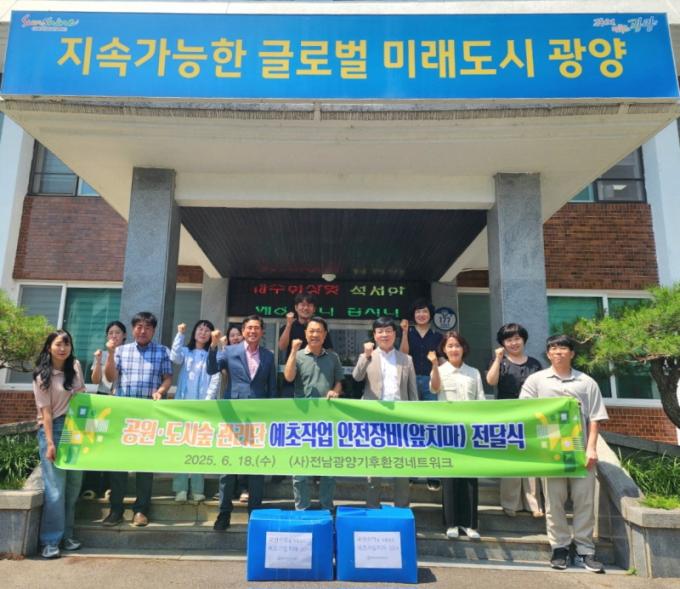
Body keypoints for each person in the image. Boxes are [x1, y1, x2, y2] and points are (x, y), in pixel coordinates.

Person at [520, 335, 609, 573]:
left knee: (584, 501)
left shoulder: (586, 382)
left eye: (563, 348)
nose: (558, 352)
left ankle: (584, 550)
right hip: (551, 452)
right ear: (548, 354)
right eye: (553, 348)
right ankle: (559, 547)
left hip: (580, 451)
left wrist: (591, 448)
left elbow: (595, 418)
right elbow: (524, 411)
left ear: (572, 353)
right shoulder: (536, 380)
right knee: (554, 502)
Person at [102, 311, 172, 528]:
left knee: (145, 464)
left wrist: (160, 391)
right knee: (119, 464)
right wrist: (110, 353)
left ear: (154, 330)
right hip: (124, 415)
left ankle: (141, 510)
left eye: (148, 327)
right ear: (133, 329)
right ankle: (116, 510)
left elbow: (167, 378)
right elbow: (110, 377)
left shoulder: (162, 351)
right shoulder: (121, 351)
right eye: (139, 327)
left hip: (149, 416)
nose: (143, 331)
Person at [207, 315, 277, 531]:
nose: (253, 331)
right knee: (228, 466)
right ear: (243, 331)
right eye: (249, 328)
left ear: (262, 332)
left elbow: (272, 388)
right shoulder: (229, 351)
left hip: (259, 418)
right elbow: (211, 369)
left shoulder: (268, 355)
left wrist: (272, 417)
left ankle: (255, 514)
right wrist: (213, 346)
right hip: (233, 416)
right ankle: (224, 513)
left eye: (257, 328)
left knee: (256, 466)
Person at [352, 317, 417, 508]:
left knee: (402, 464)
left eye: (388, 330)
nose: (384, 335)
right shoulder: (368, 356)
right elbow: (356, 377)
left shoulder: (406, 359)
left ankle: (402, 507)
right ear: (374, 335)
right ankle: (372, 506)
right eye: (380, 331)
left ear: (395, 334)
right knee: (374, 464)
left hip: (400, 418)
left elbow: (412, 391)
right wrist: (366, 356)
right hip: (374, 418)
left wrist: (415, 416)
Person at [32, 329, 86, 558]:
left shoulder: (75, 367)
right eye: (58, 344)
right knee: (55, 489)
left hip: (75, 429)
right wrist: (50, 443)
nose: (63, 348)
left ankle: (67, 536)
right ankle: (50, 541)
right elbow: (45, 412)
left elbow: (81, 396)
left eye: (67, 344)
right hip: (52, 428)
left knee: (73, 487)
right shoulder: (41, 375)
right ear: (49, 347)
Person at [429, 331, 485, 541]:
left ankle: (470, 524)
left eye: (457, 345)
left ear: (464, 349)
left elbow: (480, 400)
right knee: (450, 478)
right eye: (450, 346)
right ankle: (451, 523)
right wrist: (434, 365)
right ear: (444, 349)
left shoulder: (473, 372)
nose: (454, 349)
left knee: (470, 478)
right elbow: (434, 388)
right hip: (448, 432)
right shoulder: (439, 370)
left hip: (469, 431)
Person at [284, 316, 343, 511]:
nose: (315, 334)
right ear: (305, 334)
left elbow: (339, 382)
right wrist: (293, 351)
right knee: (300, 466)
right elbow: (288, 377)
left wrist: (335, 391)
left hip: (327, 418)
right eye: (311, 331)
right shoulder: (298, 355)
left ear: (325, 335)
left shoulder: (333, 357)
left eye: (319, 331)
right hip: (302, 418)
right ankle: (302, 507)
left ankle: (327, 506)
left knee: (328, 466)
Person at [486, 323, 544, 519]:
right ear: (503, 343)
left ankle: (533, 504)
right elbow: (491, 381)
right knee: (511, 460)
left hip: (530, 417)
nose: (513, 343)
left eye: (517, 338)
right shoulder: (500, 362)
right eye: (509, 339)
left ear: (524, 340)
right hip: (507, 416)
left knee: (531, 459)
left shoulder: (534, 364)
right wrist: (498, 359)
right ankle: (510, 503)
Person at [170, 320, 221, 504]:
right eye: (200, 329)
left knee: (200, 447)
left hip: (203, 408)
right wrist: (180, 334)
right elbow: (174, 357)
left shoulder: (213, 354)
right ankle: (181, 488)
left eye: (207, 330)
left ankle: (198, 489)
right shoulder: (186, 351)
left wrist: (208, 401)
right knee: (182, 446)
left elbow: (215, 378)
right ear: (194, 332)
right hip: (184, 407)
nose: (203, 332)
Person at [81, 320, 126, 501]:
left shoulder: (129, 352)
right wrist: (99, 360)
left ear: (124, 335)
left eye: (117, 332)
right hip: (101, 402)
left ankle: (109, 486)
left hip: (120, 403)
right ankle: (91, 486)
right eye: (111, 333)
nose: (114, 336)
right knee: (95, 443)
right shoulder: (102, 353)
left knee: (113, 444)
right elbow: (95, 380)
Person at [278, 293, 333, 398]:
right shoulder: (288, 327)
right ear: (296, 307)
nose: (306, 308)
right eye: (302, 305)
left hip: (315, 377)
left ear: (314, 309)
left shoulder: (320, 328)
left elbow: (329, 352)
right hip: (292, 378)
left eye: (309, 305)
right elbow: (282, 347)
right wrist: (289, 324)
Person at [399, 298, 442, 401]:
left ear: (430, 314)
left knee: (431, 409)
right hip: (411, 379)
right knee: (412, 409)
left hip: (431, 379)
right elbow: (403, 355)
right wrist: (404, 333)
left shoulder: (437, 336)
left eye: (425, 311)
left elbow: (441, 359)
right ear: (413, 315)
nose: (421, 314)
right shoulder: (408, 332)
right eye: (418, 312)